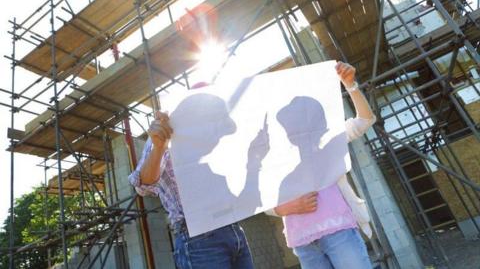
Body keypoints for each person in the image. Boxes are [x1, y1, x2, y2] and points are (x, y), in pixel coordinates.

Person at [128, 87, 260, 269]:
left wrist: (254, 164)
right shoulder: (170, 137)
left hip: (234, 230)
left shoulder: (217, 155)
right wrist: (159, 148)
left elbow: (244, 201)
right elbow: (142, 186)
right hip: (200, 239)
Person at [269, 61, 375, 269]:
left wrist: (350, 85)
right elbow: (262, 200)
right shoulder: (273, 158)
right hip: (303, 242)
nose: (293, 129)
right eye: (288, 124)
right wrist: (282, 208)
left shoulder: (329, 143)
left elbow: (364, 120)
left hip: (339, 233)